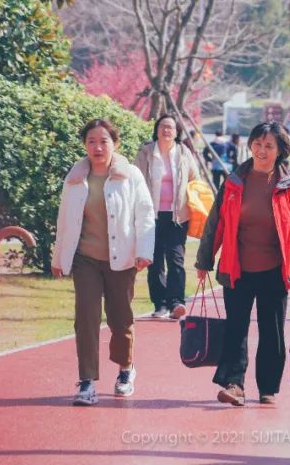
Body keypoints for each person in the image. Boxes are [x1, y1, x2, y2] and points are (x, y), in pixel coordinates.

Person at [195, 122, 290, 407]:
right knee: (236, 328)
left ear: (280, 151)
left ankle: (268, 388)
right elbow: (216, 221)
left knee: (272, 331)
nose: (261, 151)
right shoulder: (235, 181)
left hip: (276, 269)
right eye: (257, 144)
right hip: (238, 267)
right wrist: (205, 258)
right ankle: (234, 384)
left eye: (269, 146)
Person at [52, 119, 156, 406]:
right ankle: (86, 382)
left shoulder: (130, 175)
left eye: (103, 141)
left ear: (115, 144)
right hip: (85, 258)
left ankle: (125, 369)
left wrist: (144, 250)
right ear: (84, 145)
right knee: (85, 318)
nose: (97, 147)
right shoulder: (75, 178)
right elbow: (65, 218)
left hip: (121, 259)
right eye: (91, 142)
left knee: (120, 318)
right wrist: (59, 256)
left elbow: (145, 214)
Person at [133, 114, 202, 320]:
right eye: (163, 126)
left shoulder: (183, 152)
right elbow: (135, 179)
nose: (166, 131)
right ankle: (160, 303)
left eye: (171, 127)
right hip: (150, 216)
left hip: (177, 216)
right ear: (156, 129)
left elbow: (195, 178)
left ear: (177, 132)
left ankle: (176, 302)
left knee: (176, 259)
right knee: (154, 261)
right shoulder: (146, 152)